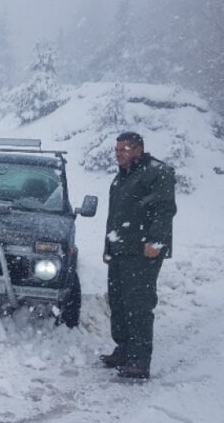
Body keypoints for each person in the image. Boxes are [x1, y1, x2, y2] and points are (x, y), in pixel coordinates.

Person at [100, 131, 177, 380]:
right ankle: (123, 350)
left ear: (138, 149)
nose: (118, 154)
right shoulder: (121, 177)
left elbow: (165, 208)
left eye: (123, 149)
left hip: (143, 251)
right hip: (120, 249)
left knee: (138, 305)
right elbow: (114, 216)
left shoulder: (157, 172)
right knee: (119, 302)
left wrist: (155, 240)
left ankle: (139, 361)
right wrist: (109, 248)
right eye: (116, 149)